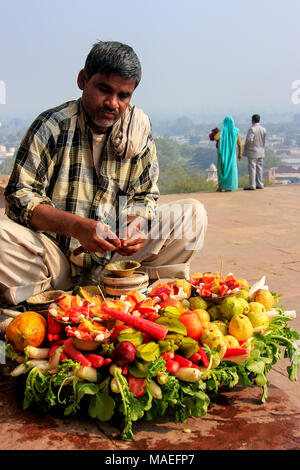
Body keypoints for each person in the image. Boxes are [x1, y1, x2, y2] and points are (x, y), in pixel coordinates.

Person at [1, 40, 207, 306]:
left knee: (192, 215)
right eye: (104, 89)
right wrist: (78, 227)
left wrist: (136, 225)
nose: (112, 103)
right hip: (57, 261)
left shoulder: (137, 132)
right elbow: (19, 198)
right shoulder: (53, 127)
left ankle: (148, 296)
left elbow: (145, 195)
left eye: (123, 96)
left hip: (114, 261)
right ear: (83, 80)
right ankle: (48, 305)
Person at [213, 116, 242, 192]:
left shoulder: (222, 132)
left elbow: (215, 138)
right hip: (232, 155)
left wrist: (220, 131)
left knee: (222, 170)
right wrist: (240, 154)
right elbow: (239, 144)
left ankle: (221, 186)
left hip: (223, 154)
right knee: (231, 170)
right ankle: (229, 187)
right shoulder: (236, 132)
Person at [243, 114, 267, 190]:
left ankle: (252, 185)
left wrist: (247, 146)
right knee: (259, 167)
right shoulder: (263, 129)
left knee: (252, 168)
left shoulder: (252, 129)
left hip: (253, 151)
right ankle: (260, 183)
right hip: (261, 150)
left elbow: (250, 140)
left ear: (252, 120)